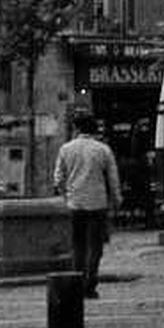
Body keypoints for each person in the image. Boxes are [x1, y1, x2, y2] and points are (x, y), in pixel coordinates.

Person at [52, 109, 123, 297]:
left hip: (76, 204)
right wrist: (116, 199)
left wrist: (65, 195)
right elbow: (113, 178)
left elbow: (58, 178)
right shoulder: (103, 150)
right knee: (95, 247)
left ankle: (77, 281)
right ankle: (90, 283)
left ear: (76, 128)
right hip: (98, 204)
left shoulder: (66, 149)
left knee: (78, 246)